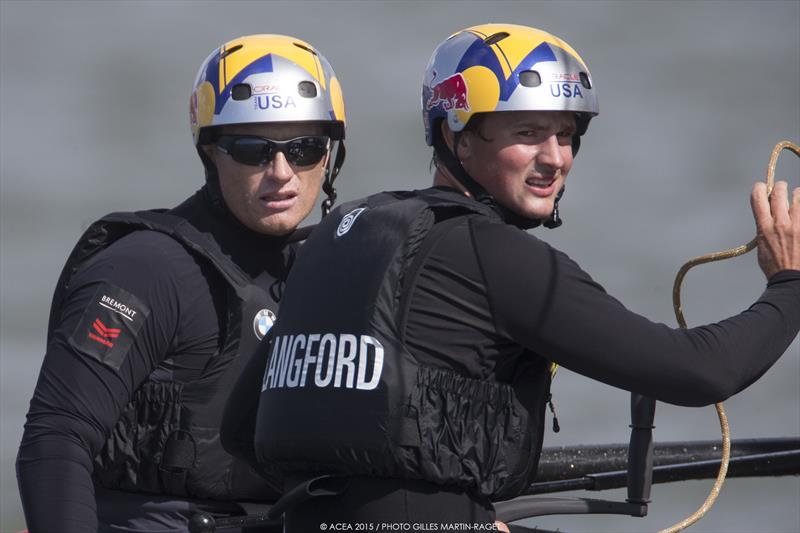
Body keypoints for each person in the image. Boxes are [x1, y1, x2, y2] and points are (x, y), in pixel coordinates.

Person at [225, 24, 800, 529]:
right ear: (456, 136)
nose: (555, 157)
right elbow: (699, 371)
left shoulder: (346, 226)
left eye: (568, 134)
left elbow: (241, 426)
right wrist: (789, 285)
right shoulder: (490, 252)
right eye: (527, 133)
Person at [16, 34, 346, 533]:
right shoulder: (143, 272)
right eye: (253, 149)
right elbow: (56, 439)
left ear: (329, 155)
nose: (281, 173)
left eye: (304, 148)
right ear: (211, 152)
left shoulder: (328, 271)